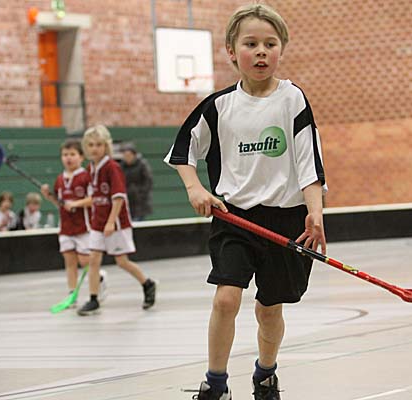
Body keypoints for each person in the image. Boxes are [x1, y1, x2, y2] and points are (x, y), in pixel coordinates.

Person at [165, 4, 327, 399]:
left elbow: (309, 163)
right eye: (250, 44)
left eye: (270, 44)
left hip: (287, 221)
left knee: (269, 309)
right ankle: (216, 383)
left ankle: (265, 374)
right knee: (226, 298)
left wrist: (315, 213)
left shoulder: (293, 100)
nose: (261, 52)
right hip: (234, 218)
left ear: (281, 49)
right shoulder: (219, 106)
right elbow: (183, 151)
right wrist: (194, 188)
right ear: (231, 51)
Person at [69, 125, 156, 316]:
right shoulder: (91, 168)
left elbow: (118, 197)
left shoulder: (112, 167)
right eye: (91, 145)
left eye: (99, 145)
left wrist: (110, 222)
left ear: (106, 146)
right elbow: (94, 197)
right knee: (93, 260)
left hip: (116, 223)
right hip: (97, 222)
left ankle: (147, 283)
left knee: (122, 261)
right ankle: (93, 299)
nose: (94, 148)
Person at [41, 139, 107, 308]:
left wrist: (76, 204)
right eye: (65, 155)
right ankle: (72, 294)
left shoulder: (86, 176)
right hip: (65, 228)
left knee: (85, 261)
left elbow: (94, 199)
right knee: (70, 262)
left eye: (72, 154)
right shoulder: (60, 179)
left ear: (81, 157)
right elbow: (60, 204)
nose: (68, 158)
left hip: (83, 227)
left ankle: (99, 279)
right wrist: (49, 197)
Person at [119, 143, 153, 221]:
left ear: (134, 155)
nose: (127, 157)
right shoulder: (121, 166)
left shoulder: (142, 165)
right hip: (127, 200)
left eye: (129, 155)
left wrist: (140, 193)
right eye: (125, 155)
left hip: (140, 201)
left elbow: (148, 181)